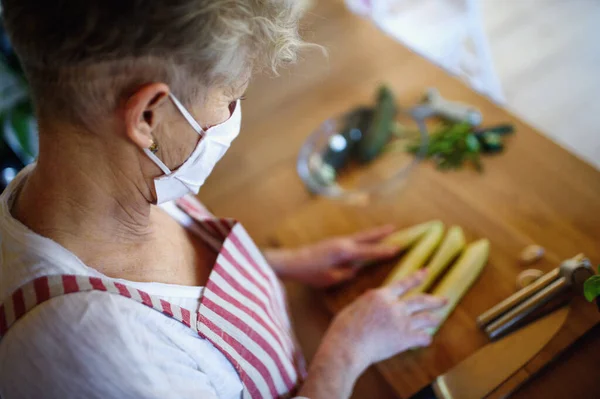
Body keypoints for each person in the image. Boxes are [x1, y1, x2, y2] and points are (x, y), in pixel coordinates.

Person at [0, 1, 447, 398]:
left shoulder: (90, 179)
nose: (232, 117)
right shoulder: (102, 355)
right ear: (148, 117)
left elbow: (177, 293)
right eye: (232, 97)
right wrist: (347, 351)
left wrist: (283, 262)